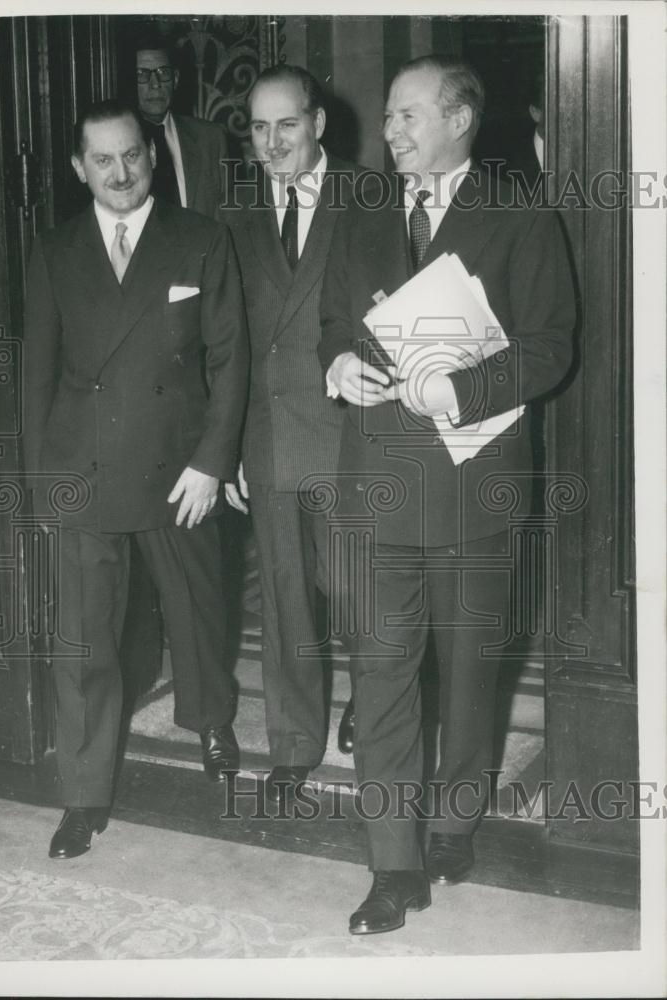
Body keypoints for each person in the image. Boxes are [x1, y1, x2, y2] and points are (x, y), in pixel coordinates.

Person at [320, 55, 575, 934]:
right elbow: (330, 319)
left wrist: (457, 391)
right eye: (388, 117)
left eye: (406, 117)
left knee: (470, 678)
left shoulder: (517, 211)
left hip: (477, 488)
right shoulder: (356, 215)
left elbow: (549, 349)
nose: (388, 133)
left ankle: (454, 822)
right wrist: (340, 362)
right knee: (381, 677)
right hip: (377, 487)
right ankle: (393, 865)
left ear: (460, 120)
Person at [23, 100, 249, 859]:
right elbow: (37, 377)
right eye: (103, 161)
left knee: (197, 609)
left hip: (176, 465)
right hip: (82, 469)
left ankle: (211, 719)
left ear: (151, 153)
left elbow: (228, 359)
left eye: (133, 156)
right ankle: (83, 796)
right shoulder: (53, 251)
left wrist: (213, 461)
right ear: (79, 168)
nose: (121, 174)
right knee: (83, 640)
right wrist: (42, 479)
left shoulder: (199, 238)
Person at [222, 65, 357, 807]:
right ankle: (294, 742)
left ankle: (377, 708)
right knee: (284, 603)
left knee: (361, 594)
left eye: (287, 125)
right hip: (269, 436)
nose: (272, 142)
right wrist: (231, 446)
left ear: (317, 124)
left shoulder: (371, 198)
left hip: (352, 435)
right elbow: (230, 342)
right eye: (259, 127)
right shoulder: (236, 216)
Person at [135, 36, 227, 214]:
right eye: (142, 75)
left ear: (175, 79)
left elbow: (228, 216)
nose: (155, 84)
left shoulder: (211, 139)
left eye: (163, 73)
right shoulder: (114, 145)